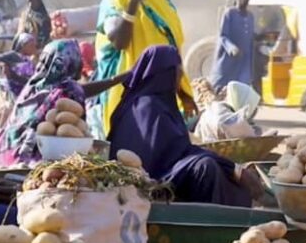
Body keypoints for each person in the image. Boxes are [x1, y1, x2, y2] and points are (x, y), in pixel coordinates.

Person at [108, 45, 263, 207]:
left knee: (212, 165)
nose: (181, 75)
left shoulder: (153, 102)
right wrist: (234, 169)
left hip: (159, 169)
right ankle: (211, 224)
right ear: (165, 73)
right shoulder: (149, 107)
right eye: (177, 70)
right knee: (206, 168)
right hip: (148, 179)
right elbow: (178, 151)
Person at [92, 0, 197, 139]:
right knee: (128, 142)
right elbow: (118, 42)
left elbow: (173, 52)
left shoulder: (166, 4)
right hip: (126, 86)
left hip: (161, 91)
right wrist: (133, 4)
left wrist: (183, 93)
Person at [0, 39, 129, 168]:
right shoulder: (69, 89)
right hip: (32, 164)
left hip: (4, 158)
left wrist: (115, 80)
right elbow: (76, 139)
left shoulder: (34, 84)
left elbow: (84, 89)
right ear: (69, 61)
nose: (81, 64)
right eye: (78, 58)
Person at [209, 0, 255, 91]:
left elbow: (250, 36)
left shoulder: (250, 17)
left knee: (241, 90)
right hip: (228, 59)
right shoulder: (229, 13)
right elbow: (223, 36)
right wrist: (232, 48)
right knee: (219, 89)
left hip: (244, 61)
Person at [0, 32, 37, 99]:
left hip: (26, 89)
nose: (34, 48)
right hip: (15, 90)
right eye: (31, 46)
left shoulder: (29, 59)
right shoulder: (13, 55)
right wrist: (3, 64)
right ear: (23, 45)